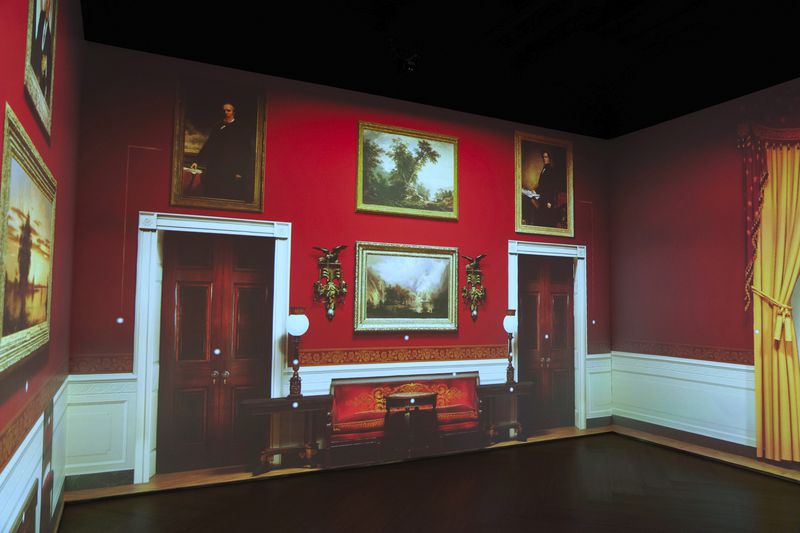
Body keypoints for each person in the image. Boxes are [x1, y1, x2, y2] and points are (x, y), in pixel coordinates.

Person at [191, 102, 252, 201]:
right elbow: (208, 145)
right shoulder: (217, 127)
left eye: (228, 110)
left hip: (231, 169)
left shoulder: (241, 128)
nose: (225, 112)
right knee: (211, 194)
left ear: (233, 112)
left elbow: (245, 152)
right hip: (215, 167)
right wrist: (197, 161)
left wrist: (240, 171)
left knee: (226, 195)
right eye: (224, 110)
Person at [522, 150, 564, 227]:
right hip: (542, 196)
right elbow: (541, 184)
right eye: (543, 157)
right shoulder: (544, 169)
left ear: (549, 158)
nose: (544, 159)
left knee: (546, 218)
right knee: (530, 200)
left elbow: (551, 187)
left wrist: (549, 201)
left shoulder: (551, 170)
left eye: (546, 157)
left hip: (547, 198)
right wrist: (535, 190)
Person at [30, 0, 54, 101]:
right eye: (46, 3)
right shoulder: (39, 20)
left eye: (49, 4)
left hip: (42, 76)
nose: (47, 6)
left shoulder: (49, 34)